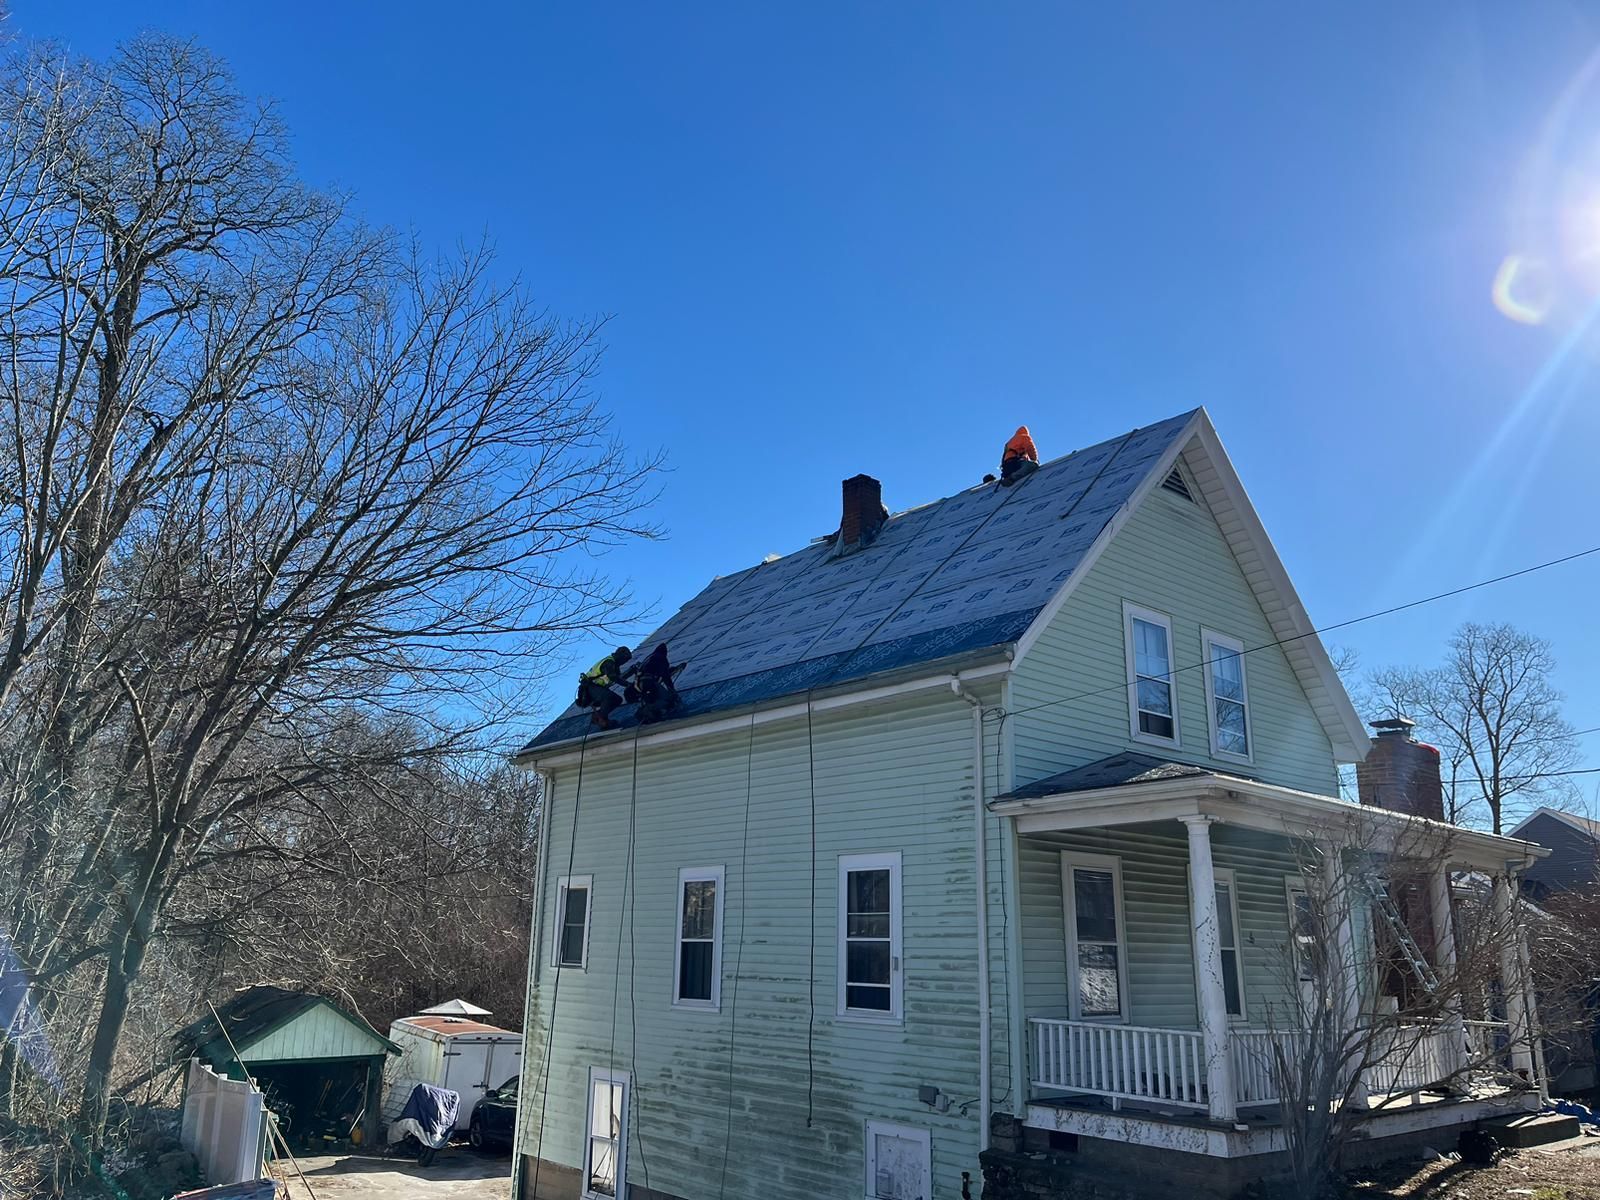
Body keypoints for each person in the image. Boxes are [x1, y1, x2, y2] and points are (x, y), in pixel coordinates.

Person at [576, 646, 632, 729]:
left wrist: (631, 671)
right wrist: (628, 684)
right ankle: (601, 719)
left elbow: (619, 678)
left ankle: (599, 715)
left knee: (617, 699)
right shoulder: (609, 662)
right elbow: (613, 677)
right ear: (620, 656)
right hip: (589, 688)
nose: (624, 662)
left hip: (596, 688)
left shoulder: (615, 666)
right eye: (625, 659)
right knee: (609, 697)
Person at [628, 643, 680, 723]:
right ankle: (651, 714)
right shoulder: (661, 658)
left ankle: (647, 715)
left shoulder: (649, 658)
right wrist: (672, 690)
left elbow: (652, 670)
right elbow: (666, 677)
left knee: (650, 698)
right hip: (648, 682)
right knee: (667, 699)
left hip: (638, 684)